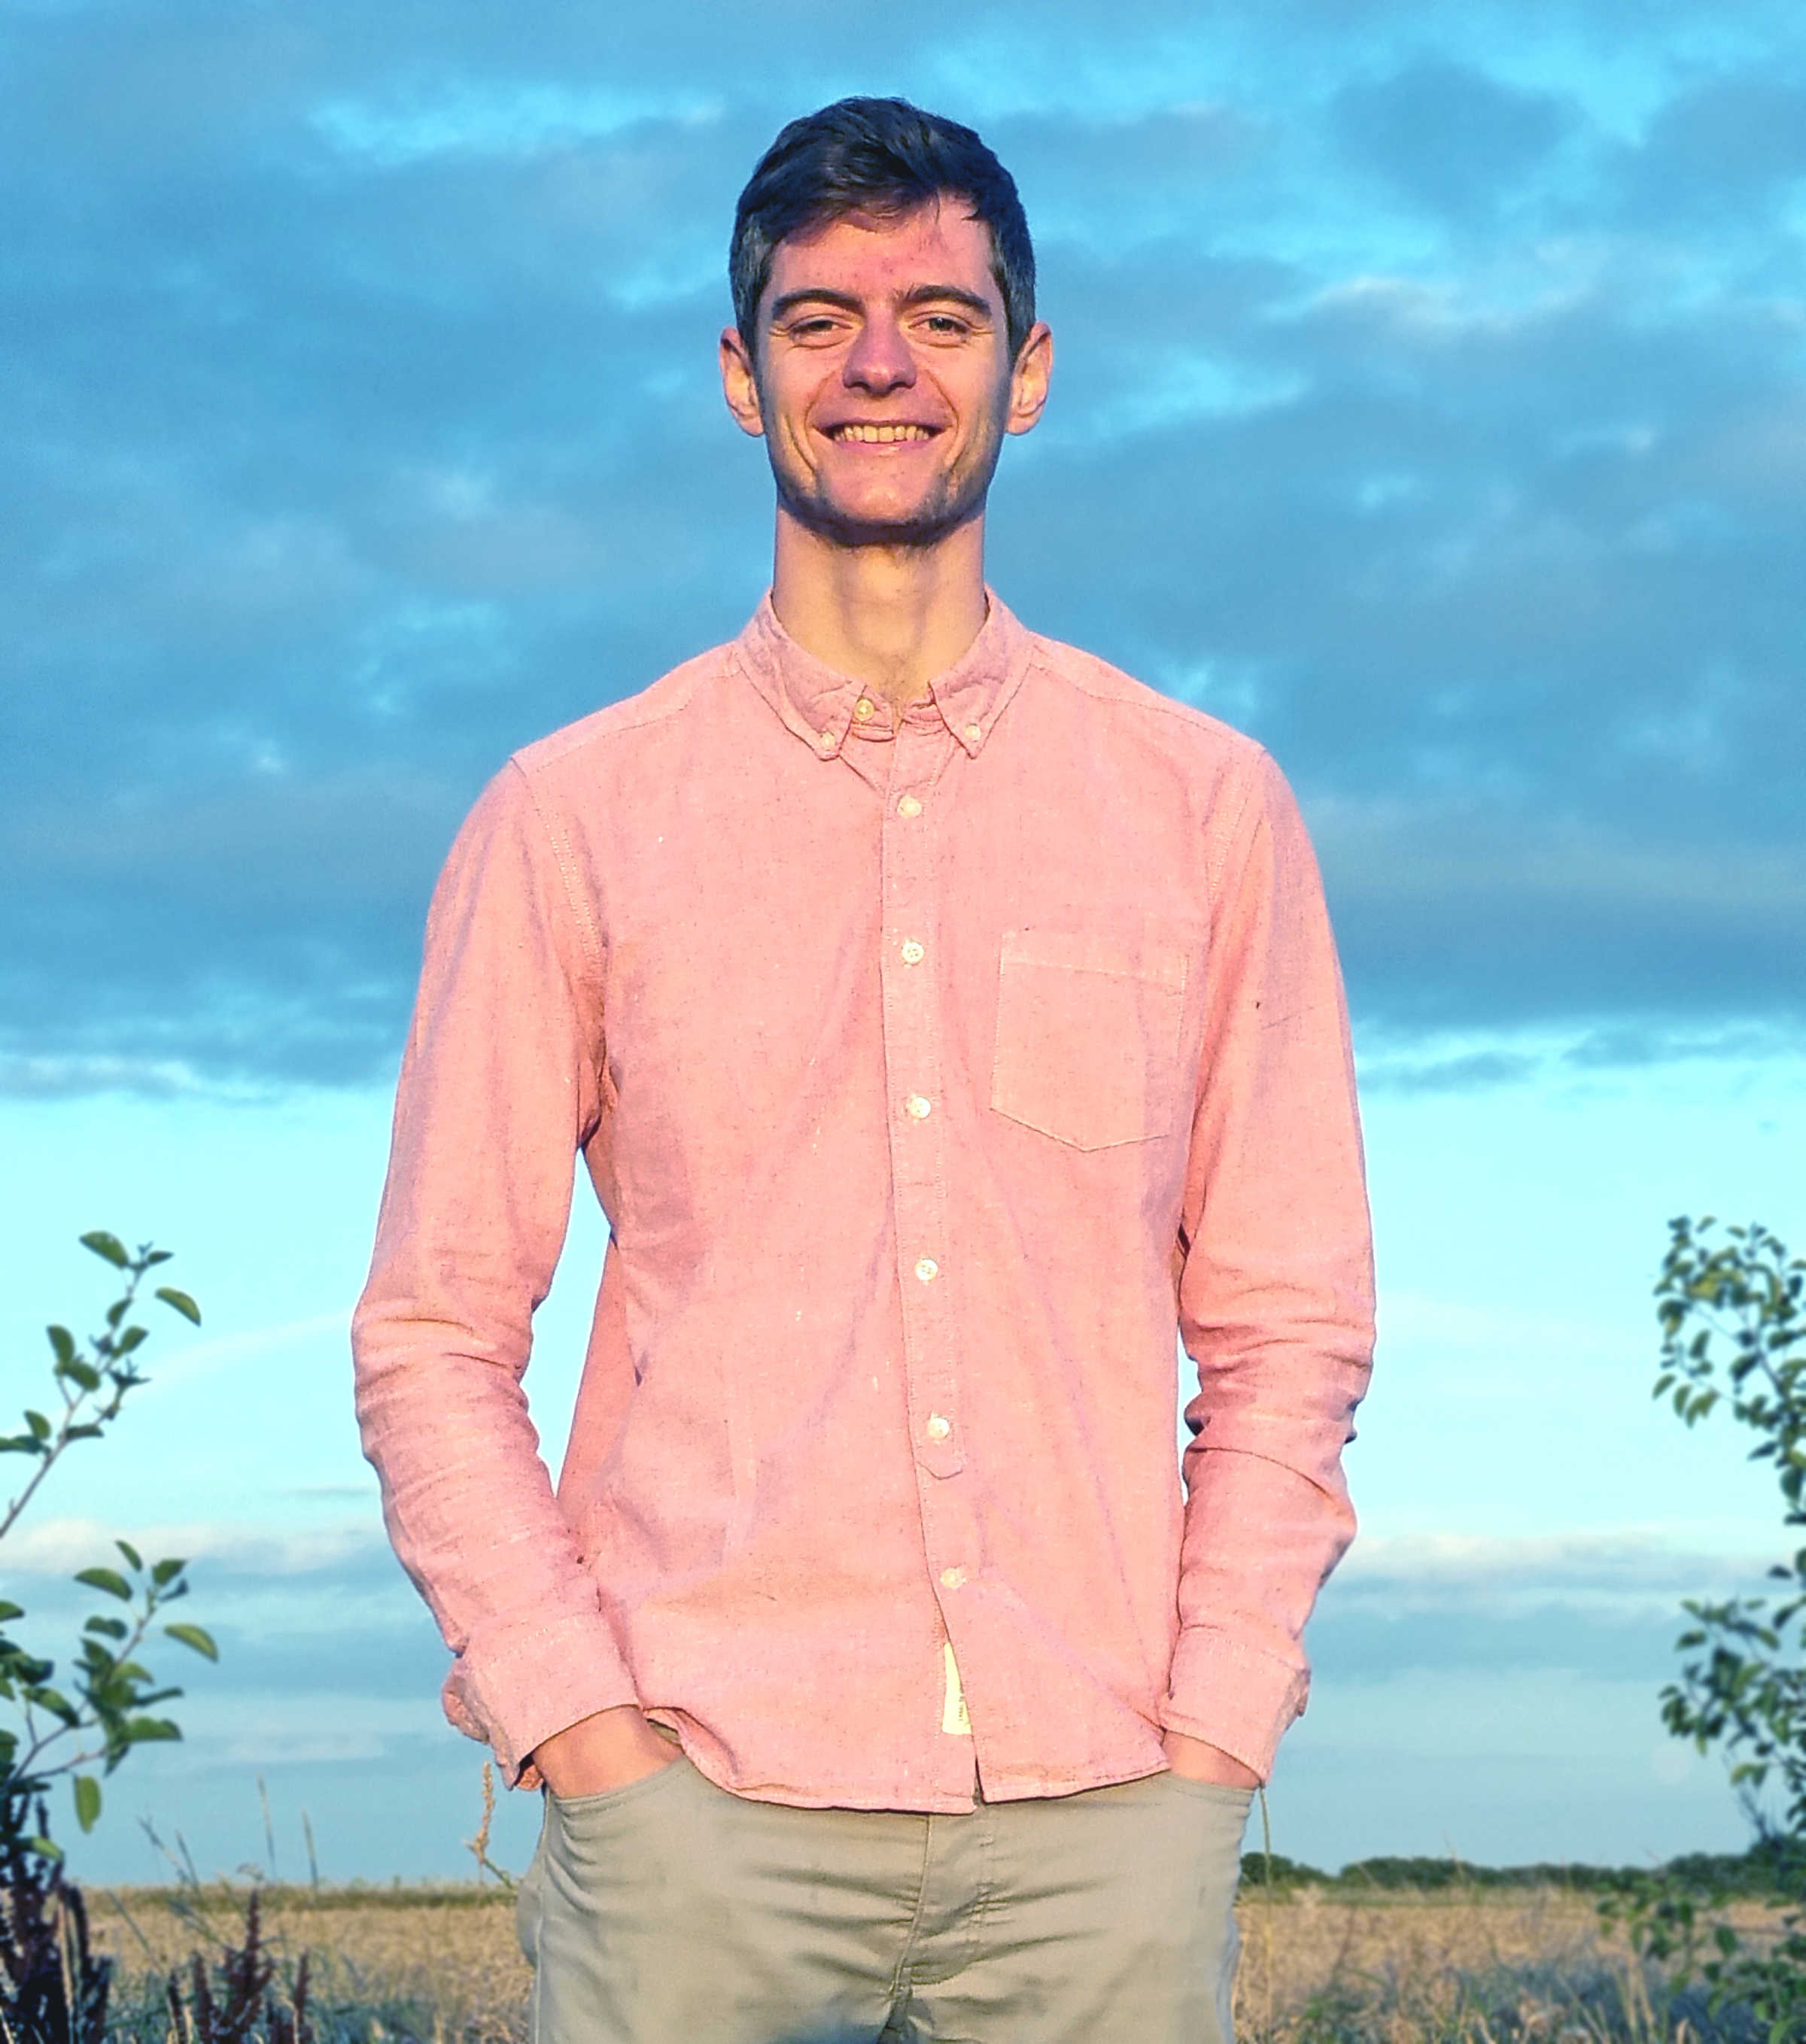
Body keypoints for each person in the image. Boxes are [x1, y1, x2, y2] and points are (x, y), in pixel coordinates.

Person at [353, 95, 1374, 2044]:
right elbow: (429, 1333)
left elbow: (1288, 1323)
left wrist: (1216, 1732)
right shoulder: (570, 819)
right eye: (820, 321)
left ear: (1032, 366)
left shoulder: (1205, 813)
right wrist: (581, 1727)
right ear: (743, 380)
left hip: (1101, 1835)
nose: (883, 366)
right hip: (698, 1835)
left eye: (943, 315)